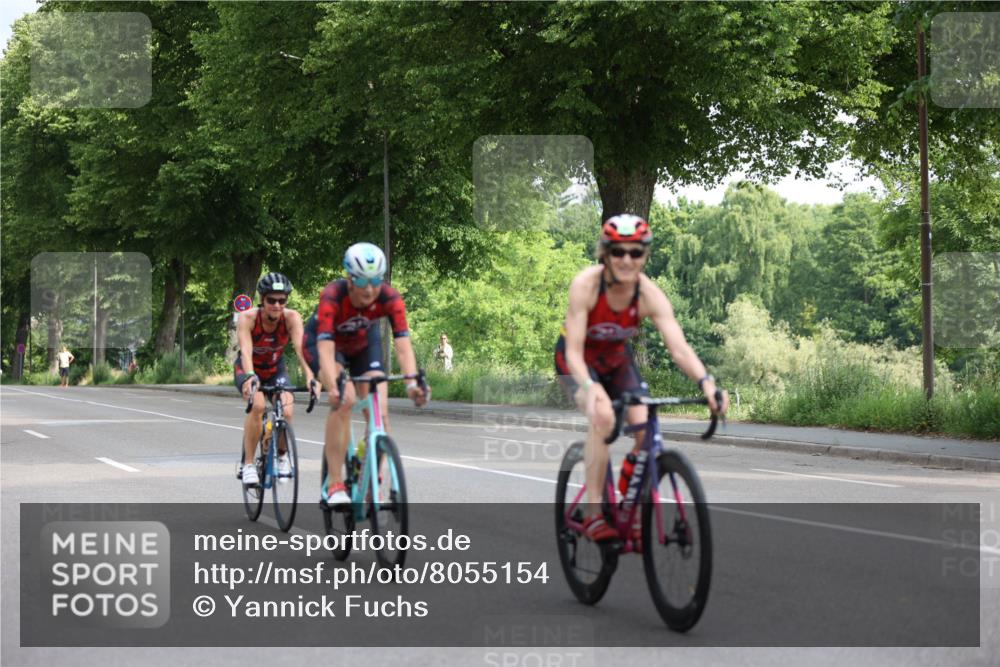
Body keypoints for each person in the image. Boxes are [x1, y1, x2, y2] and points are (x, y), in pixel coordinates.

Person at [554, 214, 728, 542]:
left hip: (616, 361)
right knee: (602, 416)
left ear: (645, 256)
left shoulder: (650, 295)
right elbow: (574, 353)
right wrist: (591, 389)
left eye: (636, 253)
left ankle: (627, 498)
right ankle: (593, 513)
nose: (626, 260)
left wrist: (706, 383)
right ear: (604, 253)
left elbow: (679, 349)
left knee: (644, 421)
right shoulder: (586, 286)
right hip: (575, 360)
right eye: (618, 252)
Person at [302, 242, 428, 505]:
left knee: (380, 412)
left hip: (362, 345)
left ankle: (370, 473)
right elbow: (325, 347)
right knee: (344, 400)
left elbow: (403, 346)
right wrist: (333, 386)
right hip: (326, 345)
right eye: (362, 281)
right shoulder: (333, 295)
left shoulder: (389, 298)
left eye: (375, 281)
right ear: (349, 278)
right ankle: (335, 483)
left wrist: (412, 384)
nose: (369, 289)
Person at [235, 272, 316, 487]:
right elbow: (245, 350)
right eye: (272, 300)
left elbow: (301, 350)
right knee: (258, 406)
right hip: (249, 367)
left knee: (287, 411)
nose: (277, 305)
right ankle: (249, 464)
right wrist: (251, 377)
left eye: (282, 300)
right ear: (262, 300)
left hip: (275, 368)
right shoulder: (248, 318)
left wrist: (310, 377)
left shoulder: (292, 318)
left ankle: (281, 456)